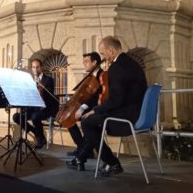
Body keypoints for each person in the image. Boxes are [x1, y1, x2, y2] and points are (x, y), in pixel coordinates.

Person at [66, 36, 147, 176]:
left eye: (103, 54)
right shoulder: (132, 63)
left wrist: (95, 110)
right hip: (136, 112)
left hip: (127, 117)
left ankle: (111, 162)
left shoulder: (117, 67)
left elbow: (116, 100)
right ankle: (90, 157)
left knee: (87, 122)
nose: (103, 58)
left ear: (111, 50)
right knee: (93, 120)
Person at [12, 58, 58, 149]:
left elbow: (48, 96)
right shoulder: (29, 80)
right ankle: (37, 134)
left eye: (37, 67)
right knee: (16, 117)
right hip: (32, 109)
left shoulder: (49, 80)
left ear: (41, 68)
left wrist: (40, 84)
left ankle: (40, 139)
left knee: (35, 117)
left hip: (45, 109)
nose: (35, 69)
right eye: (33, 67)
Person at [67, 52, 103, 158]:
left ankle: (84, 150)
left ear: (94, 62)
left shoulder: (102, 76)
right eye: (84, 62)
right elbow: (86, 95)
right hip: (88, 106)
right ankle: (82, 147)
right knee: (68, 120)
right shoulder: (90, 77)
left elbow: (96, 97)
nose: (84, 64)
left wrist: (82, 108)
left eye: (86, 62)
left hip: (96, 108)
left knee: (81, 120)